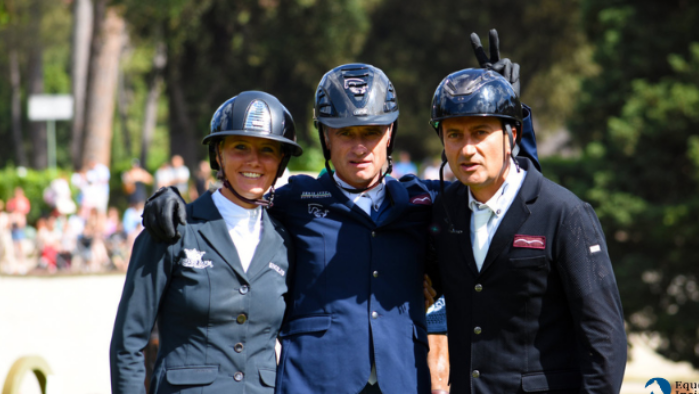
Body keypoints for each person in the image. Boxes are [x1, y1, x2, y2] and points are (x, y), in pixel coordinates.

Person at [142, 32, 542, 394]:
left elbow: (514, 196)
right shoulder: (293, 200)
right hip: (313, 381)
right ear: (325, 137)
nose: (359, 147)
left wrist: (510, 114)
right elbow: (236, 198)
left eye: (371, 132)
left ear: (390, 134)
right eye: (345, 133)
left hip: (403, 378)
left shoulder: (425, 201)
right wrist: (169, 199)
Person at [427, 63, 627, 392]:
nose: (467, 149)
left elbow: (604, 339)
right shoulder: (441, 212)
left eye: (480, 132)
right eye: (454, 135)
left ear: (512, 136)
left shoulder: (565, 213)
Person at [110, 91, 303, 393]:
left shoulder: (284, 242)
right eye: (240, 147)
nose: (254, 160)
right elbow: (128, 343)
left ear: (281, 162)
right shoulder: (173, 228)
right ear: (219, 154)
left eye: (267, 150)